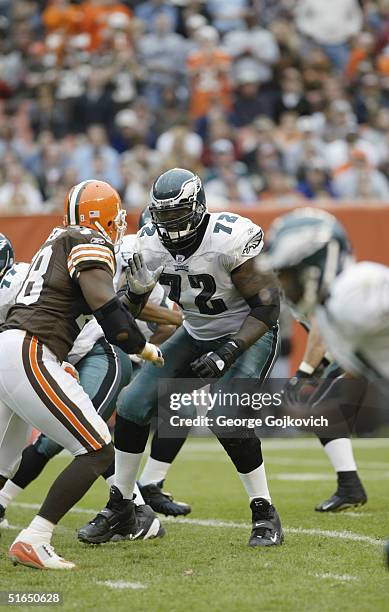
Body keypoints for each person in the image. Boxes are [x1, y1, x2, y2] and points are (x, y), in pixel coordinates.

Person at [79, 168, 284, 547]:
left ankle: (264, 512)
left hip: (247, 334)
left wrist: (228, 352)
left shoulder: (230, 239)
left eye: (179, 213)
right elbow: (127, 311)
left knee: (226, 418)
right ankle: (122, 506)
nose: (171, 224)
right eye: (165, 215)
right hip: (195, 332)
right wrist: (136, 293)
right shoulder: (150, 243)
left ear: (199, 207)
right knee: (132, 404)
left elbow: (268, 309)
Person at [0, 180, 164, 569]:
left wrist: (136, 298)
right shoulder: (89, 238)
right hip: (30, 350)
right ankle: (36, 537)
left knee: (4, 461)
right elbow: (108, 312)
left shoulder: (61, 239)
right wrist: (142, 346)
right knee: (96, 449)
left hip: (10, 347)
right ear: (101, 216)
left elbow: (99, 306)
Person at [0, 217, 190, 524]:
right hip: (76, 349)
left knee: (81, 438)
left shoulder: (44, 261)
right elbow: (112, 308)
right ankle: (134, 510)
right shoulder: (118, 247)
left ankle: (141, 501)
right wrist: (149, 342)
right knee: (83, 440)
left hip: (77, 350)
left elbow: (120, 309)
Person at [264, 208, 367, 511]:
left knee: (323, 408)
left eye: (291, 268)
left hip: (374, 356)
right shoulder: (314, 289)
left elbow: (322, 332)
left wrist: (302, 376)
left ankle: (350, 485)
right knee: (325, 411)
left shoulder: (350, 287)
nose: (283, 276)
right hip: (359, 356)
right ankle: (350, 485)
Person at [315, 261, 389, 577]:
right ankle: (349, 485)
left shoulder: (360, 289)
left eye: (287, 274)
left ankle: (349, 485)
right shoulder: (329, 309)